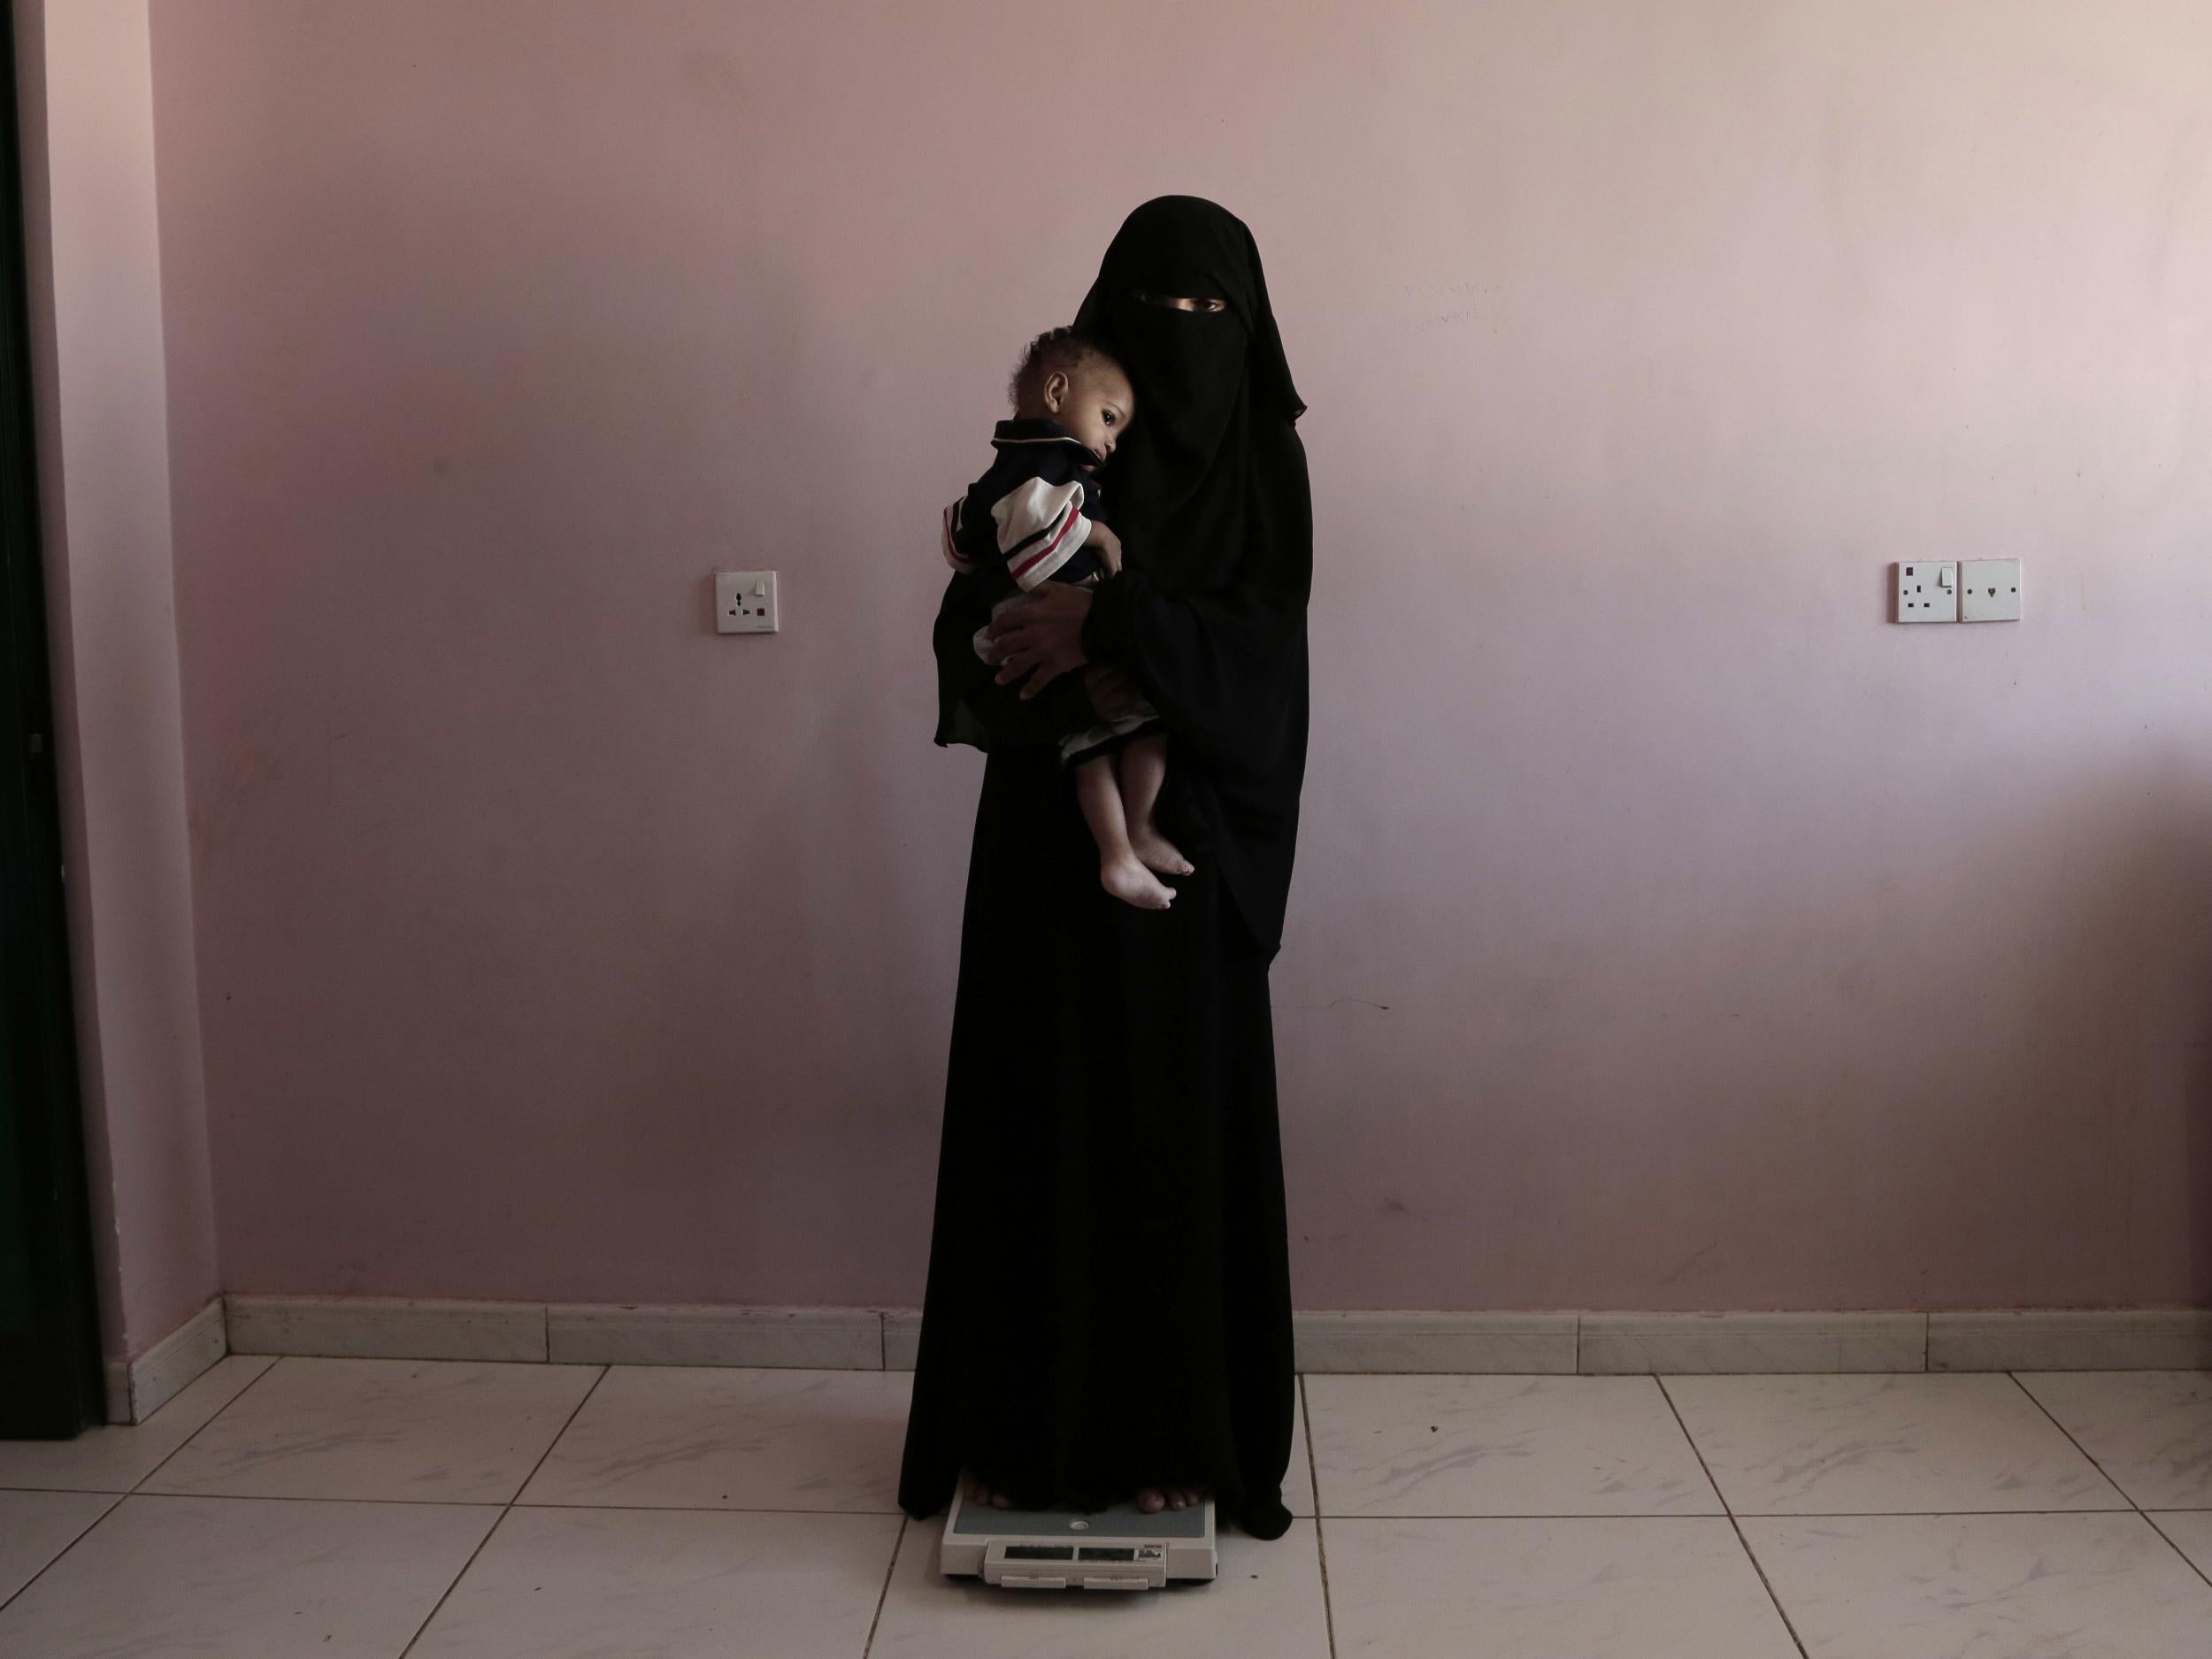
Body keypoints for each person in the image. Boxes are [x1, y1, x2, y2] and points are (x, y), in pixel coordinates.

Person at [899, 196, 1310, 1541]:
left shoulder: (1265, 472)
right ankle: (1018, 1434)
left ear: (1248, 333)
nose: (1184, 343)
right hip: (1046, 838)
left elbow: (1266, 654)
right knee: (1039, 1127)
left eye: (1211, 315)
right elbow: (986, 610)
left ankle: (1173, 1437)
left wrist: (1115, 617)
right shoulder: (1074, 441)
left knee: (1168, 1143)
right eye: (1157, 314)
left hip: (1185, 846)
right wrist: (1028, 617)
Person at [941, 326, 1193, 910]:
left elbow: (960, 539)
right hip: (1044, 613)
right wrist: (1098, 535)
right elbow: (1034, 557)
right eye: (1108, 418)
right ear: (1057, 391)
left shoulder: (1018, 462)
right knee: (1123, 723)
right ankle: (1126, 843)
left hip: (1034, 614)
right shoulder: (1041, 462)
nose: (1111, 442)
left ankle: (1129, 841)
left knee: (1097, 739)